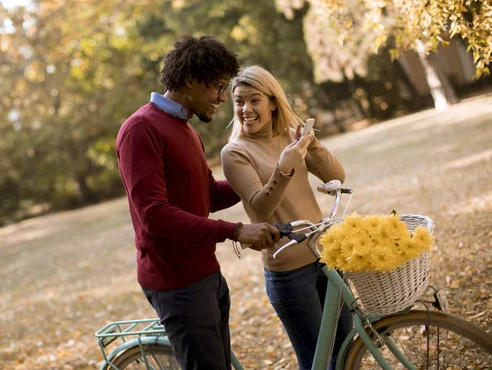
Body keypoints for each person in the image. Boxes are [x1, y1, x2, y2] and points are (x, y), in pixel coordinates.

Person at [115, 36, 281, 370]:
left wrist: (268, 171)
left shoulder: (186, 129)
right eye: (218, 87)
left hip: (206, 275)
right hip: (176, 282)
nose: (223, 98)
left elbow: (210, 195)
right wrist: (235, 231)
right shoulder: (141, 129)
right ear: (190, 81)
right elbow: (155, 216)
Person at [220, 65, 353, 370]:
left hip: (325, 256)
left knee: (345, 350)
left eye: (254, 100)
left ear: (273, 102)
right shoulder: (235, 152)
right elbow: (260, 208)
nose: (245, 109)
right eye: (239, 101)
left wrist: (312, 143)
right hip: (288, 272)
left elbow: (336, 176)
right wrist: (284, 168)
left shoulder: (287, 138)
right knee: (316, 362)